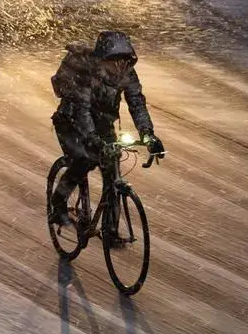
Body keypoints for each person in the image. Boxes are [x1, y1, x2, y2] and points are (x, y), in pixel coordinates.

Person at [48, 30, 165, 230]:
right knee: (82, 160)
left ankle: (111, 229)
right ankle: (58, 205)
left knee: (113, 170)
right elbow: (82, 110)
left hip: (102, 123)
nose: (120, 67)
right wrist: (91, 138)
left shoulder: (128, 74)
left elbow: (137, 103)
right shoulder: (87, 73)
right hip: (71, 120)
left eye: (125, 62)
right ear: (102, 60)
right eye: (114, 61)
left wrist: (148, 134)